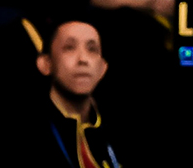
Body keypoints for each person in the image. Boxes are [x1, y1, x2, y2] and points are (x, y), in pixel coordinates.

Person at [26, 18, 128, 167]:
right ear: (46, 63)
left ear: (102, 68)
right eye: (69, 48)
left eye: (92, 49)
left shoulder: (123, 126)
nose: (83, 59)